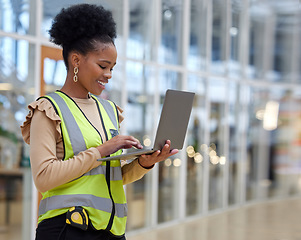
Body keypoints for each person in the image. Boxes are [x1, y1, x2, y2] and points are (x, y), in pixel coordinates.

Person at [20, 4, 178, 240]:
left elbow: (110, 177)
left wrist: (144, 164)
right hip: (68, 229)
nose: (109, 74)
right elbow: (43, 178)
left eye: (112, 68)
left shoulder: (109, 110)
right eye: (103, 66)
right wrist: (101, 151)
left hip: (111, 230)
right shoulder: (48, 109)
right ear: (76, 60)